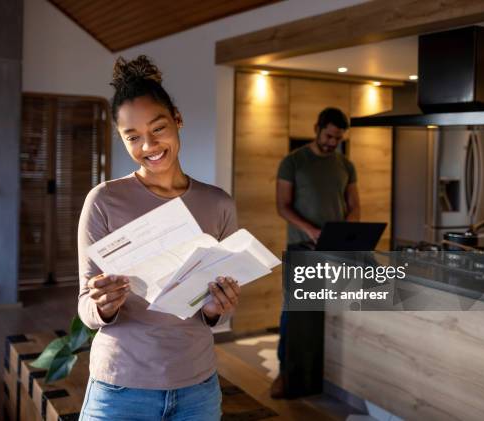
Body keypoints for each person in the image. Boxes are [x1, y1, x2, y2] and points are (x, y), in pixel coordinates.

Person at [77, 55, 241, 420]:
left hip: (197, 388)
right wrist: (103, 305)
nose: (148, 145)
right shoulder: (103, 201)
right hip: (120, 388)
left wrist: (217, 309)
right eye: (133, 137)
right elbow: (86, 308)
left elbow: (219, 311)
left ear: (177, 119)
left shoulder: (218, 205)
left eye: (158, 128)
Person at [272, 107, 360, 398]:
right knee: (295, 313)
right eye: (329, 135)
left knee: (331, 314)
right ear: (317, 128)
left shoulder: (346, 165)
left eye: (338, 138)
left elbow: (354, 206)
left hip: (337, 250)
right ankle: (285, 372)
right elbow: (282, 205)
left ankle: (325, 372)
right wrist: (311, 230)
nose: (333, 142)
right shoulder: (293, 162)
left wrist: (344, 232)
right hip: (304, 248)